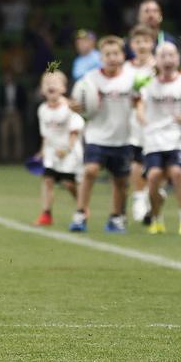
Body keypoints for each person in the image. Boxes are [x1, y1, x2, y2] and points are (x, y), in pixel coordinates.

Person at [69, 36, 136, 233]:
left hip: (122, 137)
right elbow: (78, 103)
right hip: (97, 135)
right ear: (101, 57)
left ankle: (115, 218)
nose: (112, 58)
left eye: (116, 53)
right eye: (107, 54)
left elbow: (140, 100)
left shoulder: (131, 78)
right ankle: (80, 213)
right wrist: (76, 107)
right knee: (90, 171)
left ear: (123, 55)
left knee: (120, 181)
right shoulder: (89, 80)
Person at [138, 43, 181, 235]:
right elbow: (140, 104)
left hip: (178, 137)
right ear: (156, 60)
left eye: (171, 55)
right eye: (163, 56)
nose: (167, 60)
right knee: (153, 177)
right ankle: (157, 218)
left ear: (178, 58)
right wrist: (141, 116)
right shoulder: (148, 83)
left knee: (177, 173)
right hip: (154, 138)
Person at [34, 70, 84, 226]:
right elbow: (46, 134)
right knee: (48, 180)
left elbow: (74, 132)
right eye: (46, 83)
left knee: (69, 184)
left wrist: (67, 150)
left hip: (69, 153)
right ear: (42, 90)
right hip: (52, 153)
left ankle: (82, 207)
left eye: (54, 82)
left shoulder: (69, 108)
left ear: (63, 88)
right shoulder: (42, 109)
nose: (50, 85)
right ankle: (46, 214)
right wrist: (42, 151)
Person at [125, 24, 158, 223]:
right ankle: (138, 198)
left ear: (152, 43)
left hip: (157, 121)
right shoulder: (127, 68)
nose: (142, 45)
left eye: (145, 41)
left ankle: (151, 196)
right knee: (137, 160)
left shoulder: (159, 66)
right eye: (137, 41)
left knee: (155, 162)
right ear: (131, 45)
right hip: (135, 121)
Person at [0, 71, 28, 162]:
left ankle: (18, 157)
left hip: (16, 114)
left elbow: (24, 101)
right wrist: (1, 111)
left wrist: (20, 111)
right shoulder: (1, 89)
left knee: (18, 136)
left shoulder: (19, 88)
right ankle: (5, 157)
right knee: (4, 136)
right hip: (5, 114)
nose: (7, 79)